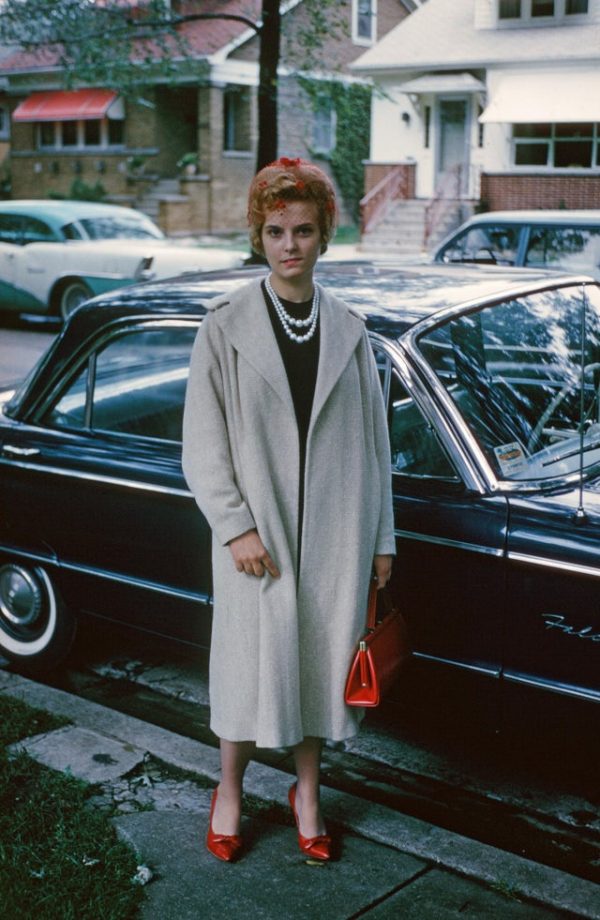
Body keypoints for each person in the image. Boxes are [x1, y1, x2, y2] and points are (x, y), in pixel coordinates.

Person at [182, 157, 395, 863]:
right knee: (246, 670)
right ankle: (230, 791)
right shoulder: (224, 326)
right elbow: (202, 443)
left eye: (303, 230)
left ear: (324, 234)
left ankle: (308, 793)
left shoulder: (351, 329)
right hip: (258, 537)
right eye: (275, 232)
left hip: (336, 534)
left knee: (318, 667)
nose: (290, 245)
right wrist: (234, 526)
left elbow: (375, 444)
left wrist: (382, 538)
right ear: (259, 237)